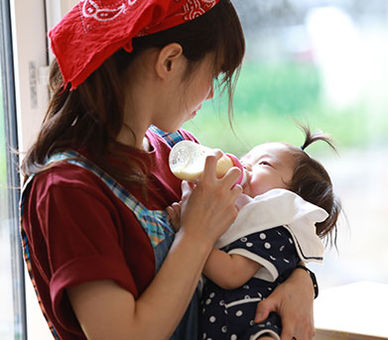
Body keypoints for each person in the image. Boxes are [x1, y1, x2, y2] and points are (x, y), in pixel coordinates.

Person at [19, 1, 317, 339]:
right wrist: (194, 235)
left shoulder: (181, 150)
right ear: (169, 61)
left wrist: (301, 280)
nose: (210, 94)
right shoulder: (68, 189)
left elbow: (263, 223)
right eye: (214, 73)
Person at [167, 127, 341, 340]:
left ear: (290, 198)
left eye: (264, 163)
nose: (244, 165)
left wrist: (188, 230)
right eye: (245, 157)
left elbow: (231, 274)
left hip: (256, 327)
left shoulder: (273, 228)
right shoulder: (245, 220)